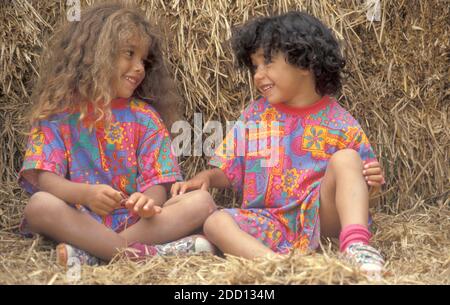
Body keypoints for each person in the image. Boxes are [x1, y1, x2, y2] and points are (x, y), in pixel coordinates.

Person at [171, 11, 386, 276]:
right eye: (255, 66)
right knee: (216, 222)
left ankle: (356, 247)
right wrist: (206, 177)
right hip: (269, 222)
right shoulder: (256, 115)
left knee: (347, 159)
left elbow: (362, 187)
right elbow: (230, 168)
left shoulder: (340, 122)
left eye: (268, 63)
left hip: (320, 220)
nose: (258, 75)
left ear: (305, 63)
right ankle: (283, 267)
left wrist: (372, 184)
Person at [19, 1, 216, 267]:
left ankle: (94, 253)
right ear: (96, 54)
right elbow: (46, 179)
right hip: (79, 217)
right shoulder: (59, 114)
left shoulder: (144, 117)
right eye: (129, 54)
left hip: (134, 221)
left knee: (202, 202)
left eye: (144, 60)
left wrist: (147, 202)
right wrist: (85, 194)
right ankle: (142, 253)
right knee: (39, 206)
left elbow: (158, 181)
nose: (139, 68)